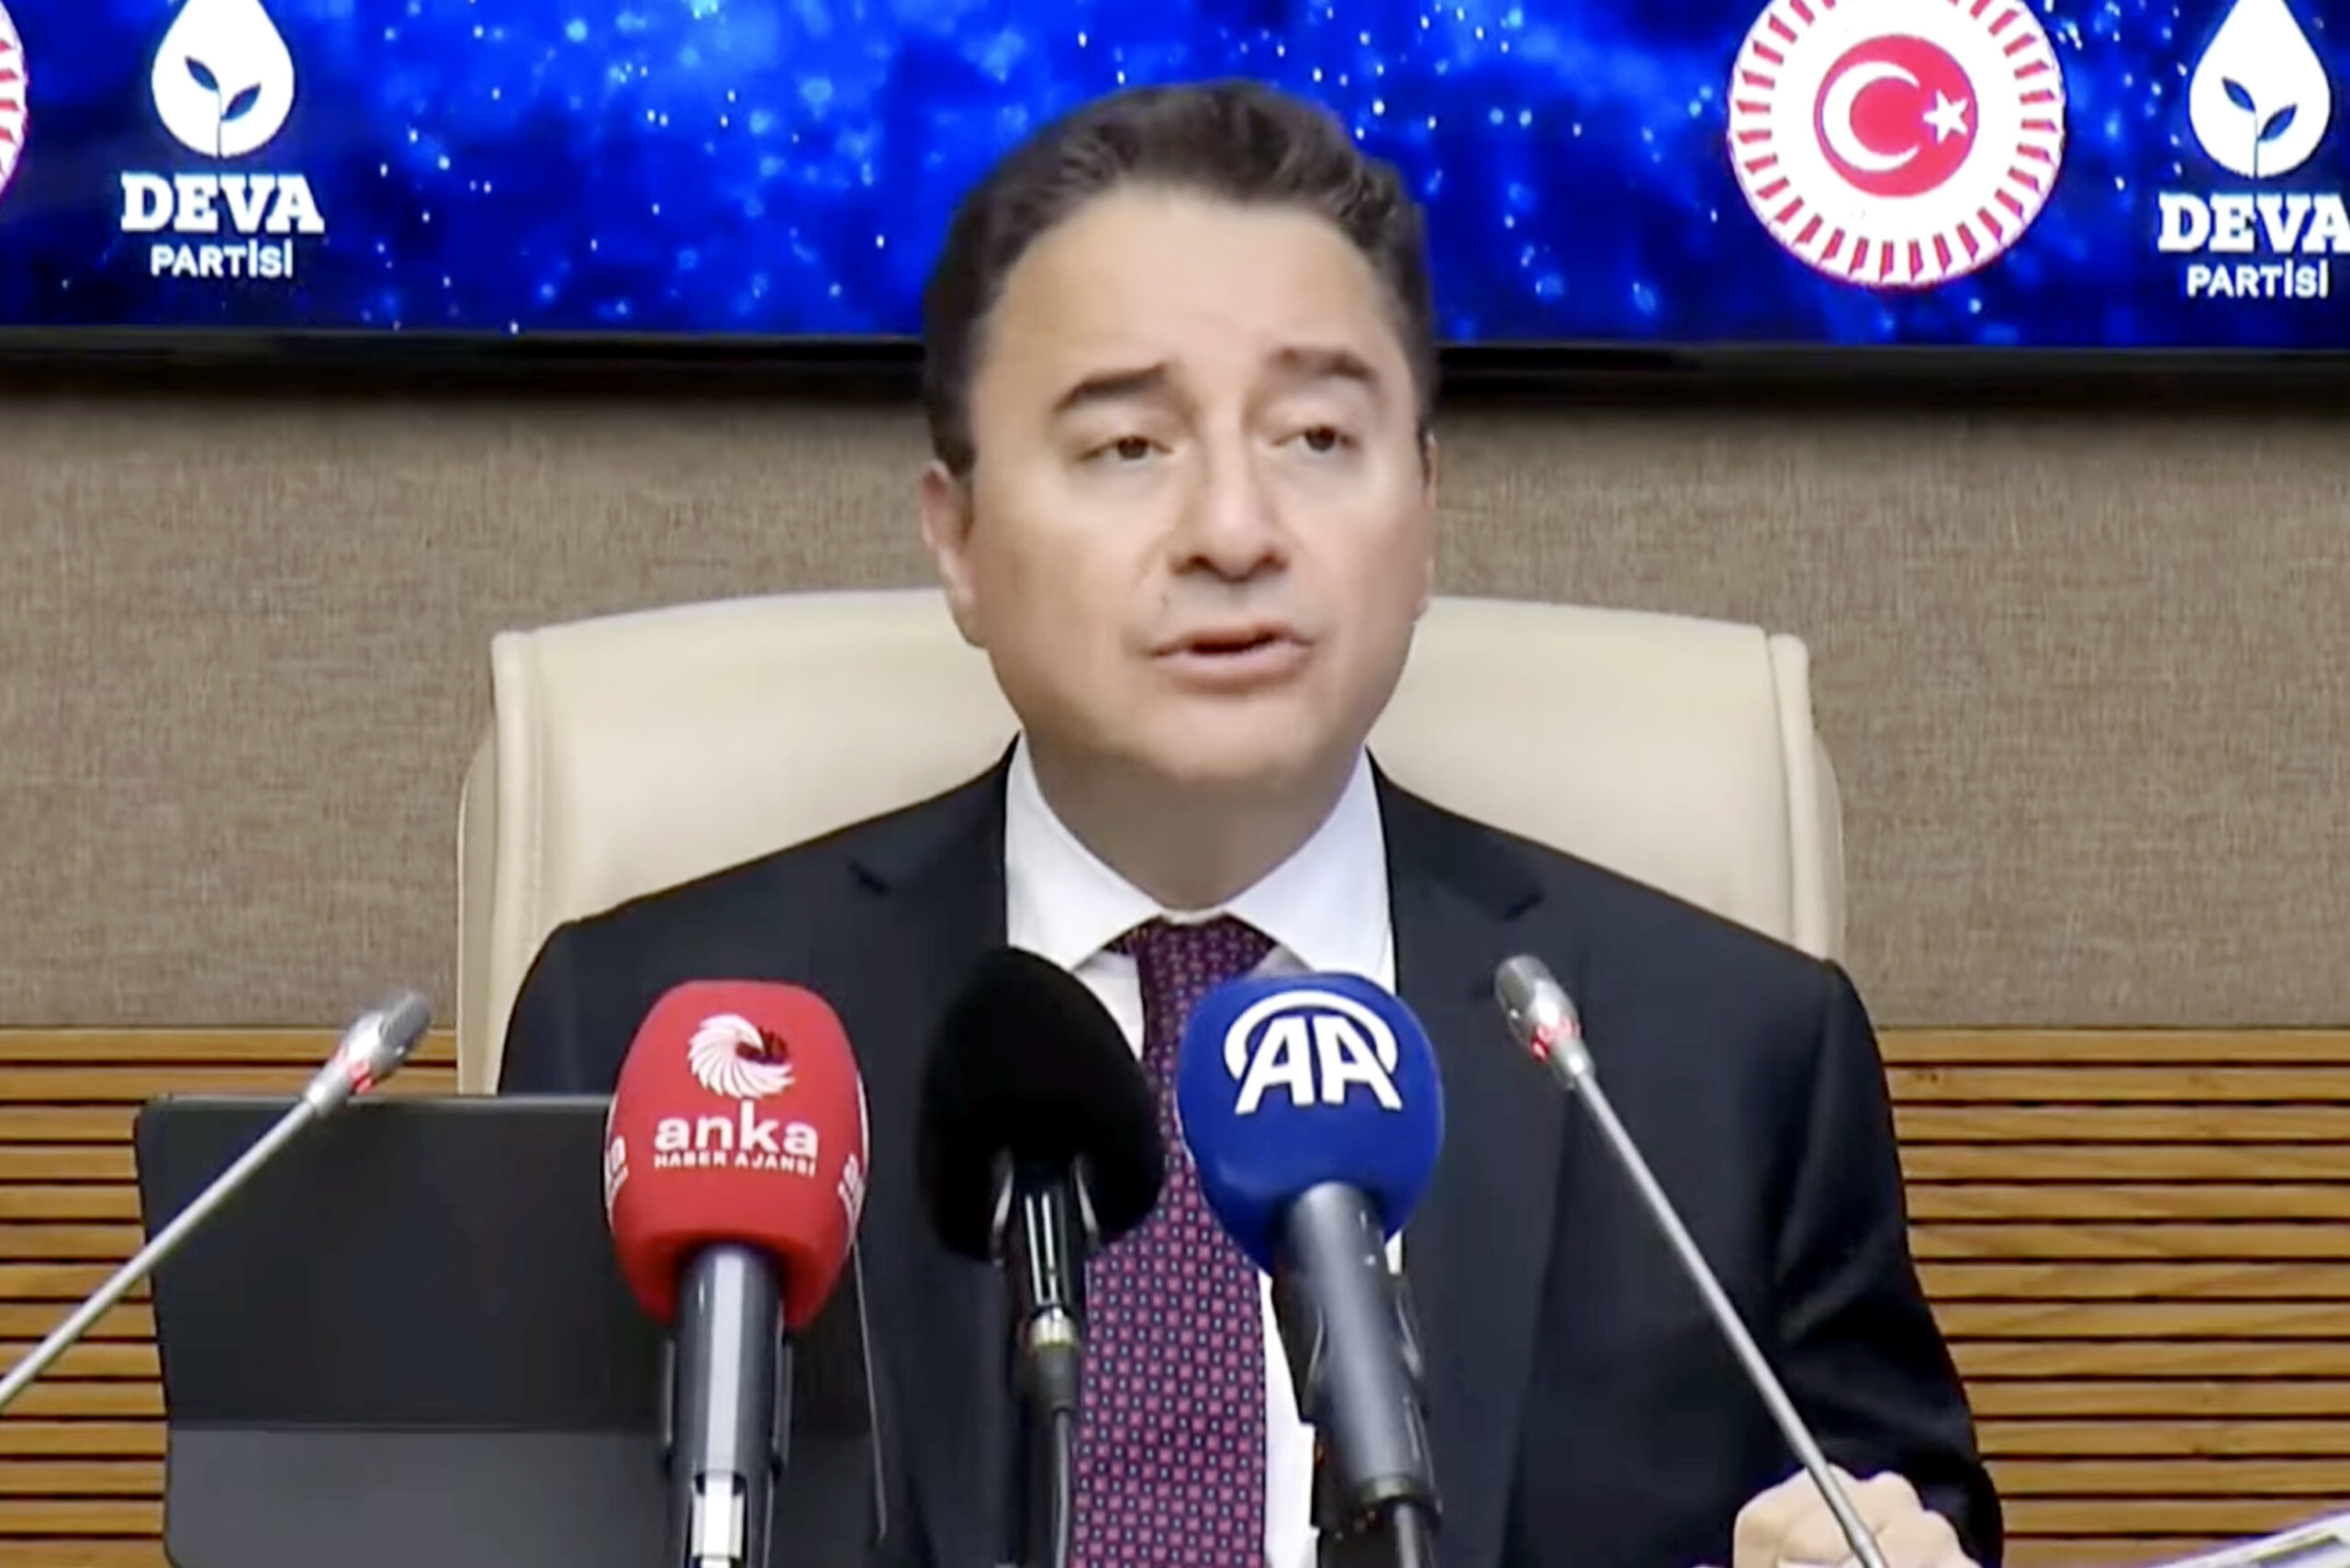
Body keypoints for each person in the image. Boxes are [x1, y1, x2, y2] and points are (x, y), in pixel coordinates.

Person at [498, 77, 1999, 1568]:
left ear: (1426, 508)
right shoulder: (659, 1042)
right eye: (1128, 447)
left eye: (1318, 439)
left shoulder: (1722, 1067)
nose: (1233, 532)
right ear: (957, 538)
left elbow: (1909, 1522)